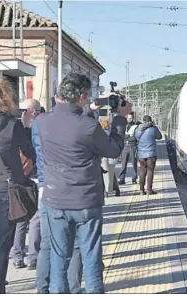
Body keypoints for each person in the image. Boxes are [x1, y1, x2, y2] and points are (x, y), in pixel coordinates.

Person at [34, 72, 130, 293]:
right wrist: (120, 118)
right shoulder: (88, 126)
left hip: (55, 200)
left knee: (59, 259)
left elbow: (67, 124)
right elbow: (113, 150)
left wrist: (88, 109)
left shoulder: (42, 122)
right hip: (86, 202)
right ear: (82, 97)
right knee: (91, 257)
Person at [32, 97, 83, 294]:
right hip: (70, 189)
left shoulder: (40, 124)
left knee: (48, 242)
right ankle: (72, 289)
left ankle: (42, 288)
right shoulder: (78, 123)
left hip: (45, 187)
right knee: (76, 243)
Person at [0, 77, 36, 294]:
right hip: (7, 193)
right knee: (2, 246)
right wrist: (27, 127)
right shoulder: (13, 125)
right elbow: (31, 153)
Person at [11, 99, 41, 270]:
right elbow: (32, 152)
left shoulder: (16, 128)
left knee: (22, 219)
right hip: (33, 178)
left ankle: (18, 256)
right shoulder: (33, 129)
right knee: (34, 219)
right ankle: (33, 257)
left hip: (22, 178)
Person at [135, 115, 162, 195]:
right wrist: (154, 127)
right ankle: (149, 190)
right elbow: (159, 137)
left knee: (142, 171)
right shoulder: (153, 129)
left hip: (141, 154)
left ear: (143, 121)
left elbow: (136, 138)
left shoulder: (137, 129)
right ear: (150, 121)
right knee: (150, 171)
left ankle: (141, 190)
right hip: (151, 154)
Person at [100, 119, 120, 198]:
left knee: (105, 174)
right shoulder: (112, 134)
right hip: (112, 155)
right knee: (112, 173)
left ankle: (106, 191)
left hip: (104, 155)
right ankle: (117, 189)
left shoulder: (100, 134)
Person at [118, 112, 137, 185]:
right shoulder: (123, 126)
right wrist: (128, 136)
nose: (129, 119)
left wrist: (127, 136)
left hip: (133, 146)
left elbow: (135, 138)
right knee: (123, 164)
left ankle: (134, 178)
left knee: (134, 164)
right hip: (125, 146)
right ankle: (122, 179)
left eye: (131, 118)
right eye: (128, 118)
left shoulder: (136, 126)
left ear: (133, 118)